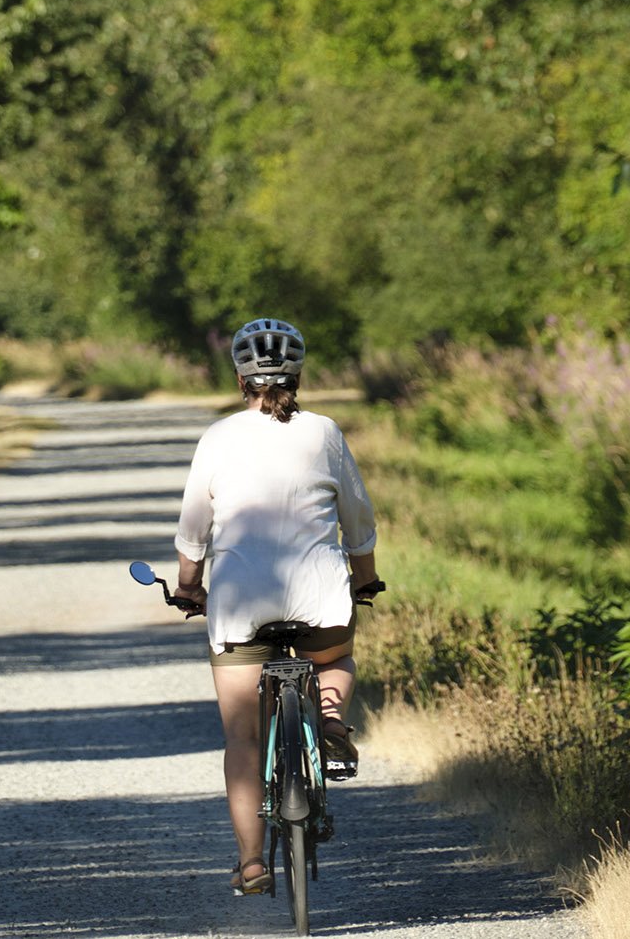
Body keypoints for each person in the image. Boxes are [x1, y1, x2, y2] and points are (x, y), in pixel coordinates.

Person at [172, 316, 379, 897]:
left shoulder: (218, 437)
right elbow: (358, 524)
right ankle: (332, 718)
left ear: (241, 379)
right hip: (318, 595)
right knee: (335, 657)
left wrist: (190, 585)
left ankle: (251, 862)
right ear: (298, 375)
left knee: (241, 738)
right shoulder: (325, 433)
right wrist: (365, 579)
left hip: (239, 601)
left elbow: (194, 531)